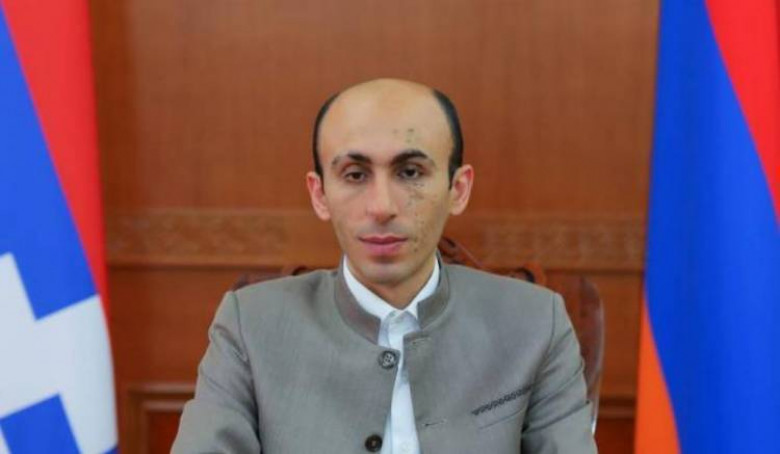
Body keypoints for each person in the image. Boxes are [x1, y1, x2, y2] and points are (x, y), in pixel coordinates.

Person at [172, 79, 597, 453]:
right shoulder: (251, 325)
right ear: (319, 194)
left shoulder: (535, 323)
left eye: (410, 172)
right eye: (355, 175)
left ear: (458, 189)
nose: (381, 207)